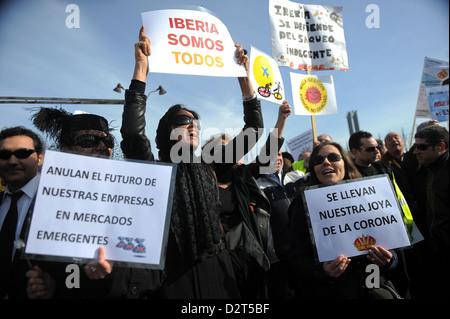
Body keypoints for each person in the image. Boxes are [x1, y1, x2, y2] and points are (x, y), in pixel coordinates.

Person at [84, 26, 263, 299]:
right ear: (167, 132)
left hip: (219, 270)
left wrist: (243, 76)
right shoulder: (152, 170)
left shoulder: (211, 164)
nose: (192, 126)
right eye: (183, 120)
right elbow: (132, 133)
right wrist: (141, 68)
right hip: (173, 278)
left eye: (195, 122)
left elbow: (254, 130)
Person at [288, 141, 409, 299]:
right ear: (313, 169)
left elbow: (396, 251)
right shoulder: (301, 206)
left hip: (375, 288)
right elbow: (296, 258)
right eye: (318, 160)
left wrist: (389, 260)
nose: (326, 162)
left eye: (333, 157)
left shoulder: (373, 194)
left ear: (345, 163)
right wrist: (322, 270)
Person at [201, 101, 292, 298]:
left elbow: (267, 155)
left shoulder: (242, 176)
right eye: (221, 149)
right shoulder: (200, 183)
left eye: (231, 147)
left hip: (249, 260)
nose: (230, 151)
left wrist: (281, 120)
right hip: (215, 261)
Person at [25, 107, 115, 299]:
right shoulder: (43, 199)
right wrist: (52, 286)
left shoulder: (130, 198)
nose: (102, 147)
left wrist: (117, 272)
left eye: (107, 141)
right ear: (66, 148)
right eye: (89, 140)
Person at [257, 137, 307, 298]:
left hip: (306, 253)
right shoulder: (257, 186)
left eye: (278, 154)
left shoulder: (298, 177)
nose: (277, 159)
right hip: (278, 259)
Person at [0, 126, 45, 299]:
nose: (12, 161)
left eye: (22, 153)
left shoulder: (61, 204)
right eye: (4, 155)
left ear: (39, 158)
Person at [413, 125, 449, 299]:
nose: (416, 152)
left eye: (422, 147)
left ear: (440, 147)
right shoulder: (431, 170)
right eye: (415, 146)